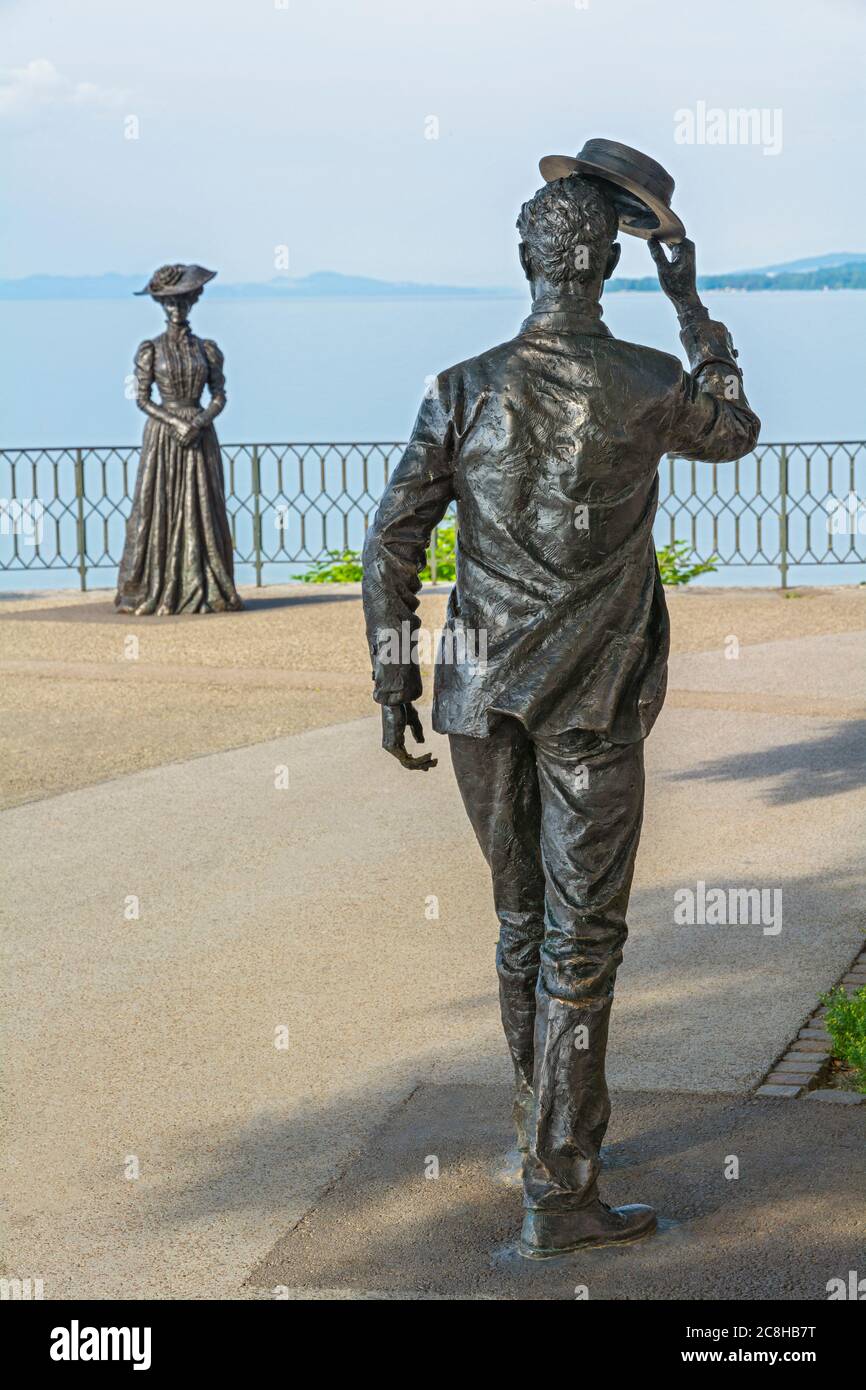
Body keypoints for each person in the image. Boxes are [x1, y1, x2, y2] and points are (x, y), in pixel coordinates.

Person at [361, 170, 759, 1257]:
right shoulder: (645, 381)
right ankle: (560, 1192)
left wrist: (394, 679)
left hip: (479, 697)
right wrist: (689, 304)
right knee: (579, 941)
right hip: (590, 697)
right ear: (611, 262)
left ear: (528, 260)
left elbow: (390, 538)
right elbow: (736, 427)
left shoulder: (463, 386)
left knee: (520, 923)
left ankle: (540, 1133)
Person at [115, 263, 242, 616]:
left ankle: (202, 586)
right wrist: (174, 421)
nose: (176, 309)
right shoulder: (150, 350)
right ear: (161, 306)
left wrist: (199, 421)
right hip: (164, 438)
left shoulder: (207, 349)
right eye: (169, 303)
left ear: (192, 302)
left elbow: (220, 394)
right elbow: (141, 398)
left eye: (182, 301)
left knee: (201, 508)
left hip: (199, 436)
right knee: (158, 505)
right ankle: (156, 587)